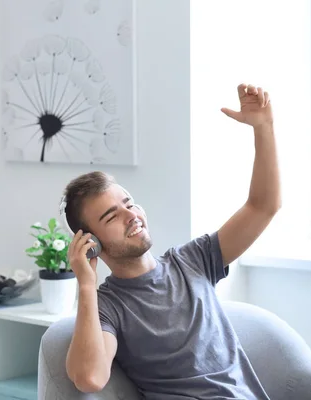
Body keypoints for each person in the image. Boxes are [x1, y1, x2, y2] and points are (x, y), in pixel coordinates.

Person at [64, 83, 280, 399]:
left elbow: (263, 206)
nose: (131, 215)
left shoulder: (194, 259)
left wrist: (264, 127)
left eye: (129, 202)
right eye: (112, 216)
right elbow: (90, 378)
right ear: (91, 242)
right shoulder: (109, 306)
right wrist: (85, 283)